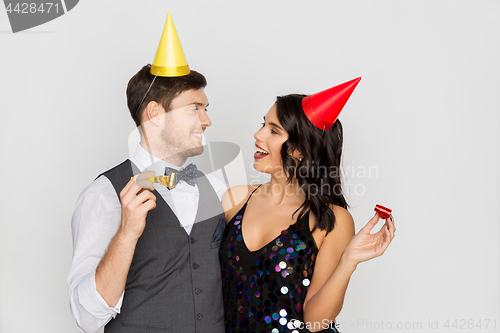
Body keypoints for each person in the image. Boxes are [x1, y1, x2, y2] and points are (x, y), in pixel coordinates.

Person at [67, 13, 226, 333]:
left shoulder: (218, 189)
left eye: (206, 109)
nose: (206, 121)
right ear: (155, 113)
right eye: (195, 108)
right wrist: (126, 234)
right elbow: (86, 318)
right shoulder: (104, 195)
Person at [219, 78, 396, 333]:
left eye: (273, 130)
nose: (258, 135)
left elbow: (315, 322)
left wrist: (349, 260)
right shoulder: (234, 200)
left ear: (299, 150)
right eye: (263, 124)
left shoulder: (332, 219)